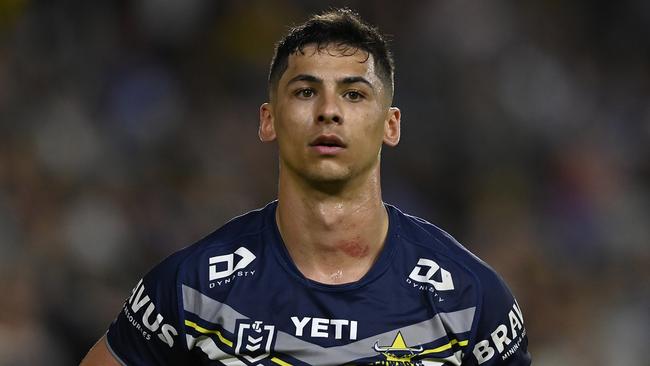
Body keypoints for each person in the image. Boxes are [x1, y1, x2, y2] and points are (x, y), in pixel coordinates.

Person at [81, 8, 531, 366]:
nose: (329, 111)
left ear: (391, 125)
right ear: (268, 119)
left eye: (354, 94)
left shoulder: (470, 300)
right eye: (304, 92)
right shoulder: (192, 289)